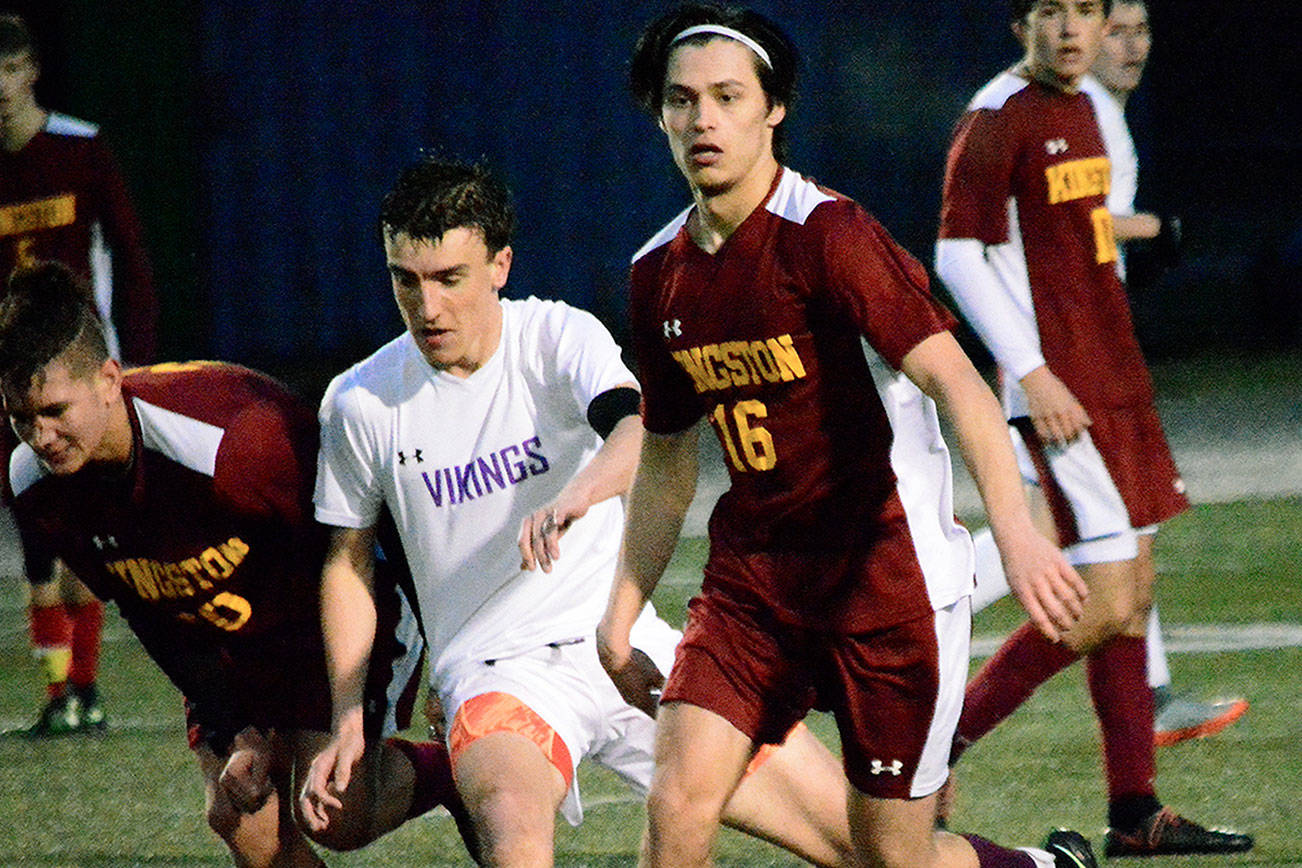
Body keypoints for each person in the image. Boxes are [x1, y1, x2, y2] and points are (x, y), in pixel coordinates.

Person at [596, 5, 1098, 867]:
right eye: (683, 100)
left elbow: (961, 386)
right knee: (676, 807)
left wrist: (1013, 530)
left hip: (886, 586)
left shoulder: (830, 237)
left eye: (727, 96)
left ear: (774, 109)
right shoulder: (658, 275)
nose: (704, 119)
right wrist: (620, 610)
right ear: (660, 115)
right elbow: (671, 461)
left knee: (890, 858)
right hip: (753, 587)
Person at [304, 154, 897, 868]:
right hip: (496, 674)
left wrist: (574, 497)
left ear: (500, 266)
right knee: (516, 835)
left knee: (872, 848)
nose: (428, 308)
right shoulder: (360, 402)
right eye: (407, 281)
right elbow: (348, 563)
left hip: (626, 644)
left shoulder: (557, 338)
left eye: (449, 279)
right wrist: (346, 719)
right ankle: (464, 772)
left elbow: (637, 427)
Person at [0, 261, 468, 868]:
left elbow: (363, 534)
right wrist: (234, 723)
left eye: (56, 411)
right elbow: (148, 610)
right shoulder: (36, 484)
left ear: (110, 379)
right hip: (222, 640)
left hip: (316, 619)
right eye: (20, 418)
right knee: (240, 815)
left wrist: (451, 662)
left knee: (335, 811)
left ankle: (452, 773)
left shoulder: (234, 441)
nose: (40, 437)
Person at [933, 0, 1252, 857]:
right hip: (1060, 390)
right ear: (1019, 23)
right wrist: (1033, 375)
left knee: (1131, 598)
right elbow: (958, 254)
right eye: (1051, 12)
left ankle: (1135, 813)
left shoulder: (1085, 109)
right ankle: (939, 742)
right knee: (1106, 598)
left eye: (1086, 11)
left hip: (1112, 379)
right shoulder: (995, 119)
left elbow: (1085, 249)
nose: (1072, 29)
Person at [1, 12, 159, 736]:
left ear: (30, 70)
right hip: (7, 381)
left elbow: (128, 256)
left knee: (74, 527)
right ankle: (59, 695)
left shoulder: (81, 148)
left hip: (72, 377)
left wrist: (135, 362)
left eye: (9, 70)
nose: (0, 89)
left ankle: (86, 689)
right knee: (32, 535)